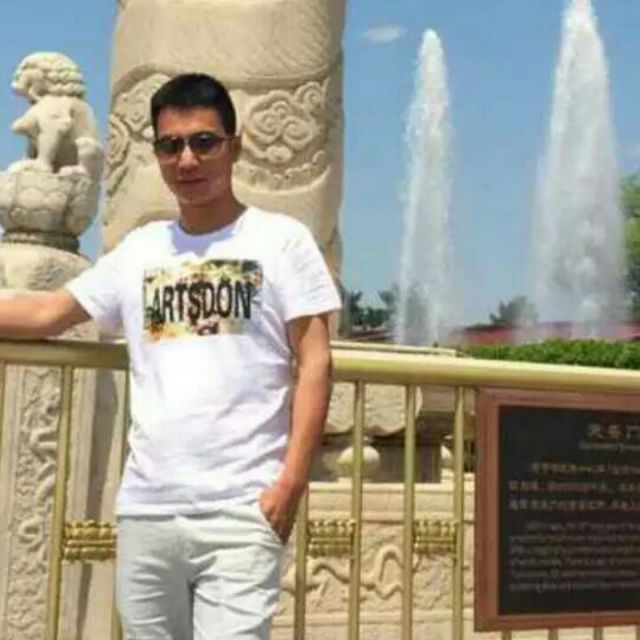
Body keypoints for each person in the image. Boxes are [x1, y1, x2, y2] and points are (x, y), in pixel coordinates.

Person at [0, 73, 341, 639]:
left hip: (242, 507)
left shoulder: (281, 241)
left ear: (235, 146)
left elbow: (316, 362)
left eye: (204, 142)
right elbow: (47, 314)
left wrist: (291, 483)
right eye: (170, 145)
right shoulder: (140, 249)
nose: (187, 159)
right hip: (148, 508)